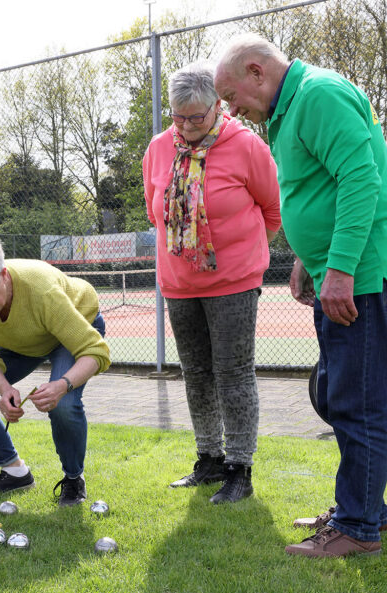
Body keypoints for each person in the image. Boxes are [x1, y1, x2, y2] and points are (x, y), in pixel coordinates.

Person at [215, 35, 387, 556]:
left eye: (230, 95)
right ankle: (363, 509)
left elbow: (361, 181)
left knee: (357, 400)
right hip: (349, 270)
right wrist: (311, 263)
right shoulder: (290, 108)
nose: (230, 109)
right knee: (338, 392)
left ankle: (357, 527)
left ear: (257, 72)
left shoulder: (318, 96)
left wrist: (339, 268)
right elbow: (317, 191)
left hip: (368, 272)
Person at [142, 62, 281, 503]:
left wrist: (242, 256)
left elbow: (273, 210)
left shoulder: (246, 146)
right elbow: (155, 211)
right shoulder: (159, 148)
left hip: (234, 283)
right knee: (196, 375)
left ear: (217, 106)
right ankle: (209, 459)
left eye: (196, 117)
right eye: (178, 117)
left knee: (234, 374)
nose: (186, 126)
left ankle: (240, 468)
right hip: (180, 283)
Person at [0, 234, 111, 506]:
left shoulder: (41, 290)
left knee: (64, 405)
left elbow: (96, 352)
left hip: (72, 330)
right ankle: (15, 472)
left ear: (3, 275)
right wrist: (4, 389)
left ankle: (73, 479)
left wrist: (62, 385)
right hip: (20, 340)